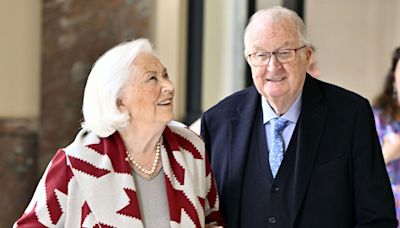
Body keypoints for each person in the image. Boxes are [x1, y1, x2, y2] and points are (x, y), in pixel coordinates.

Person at [200, 6, 397, 227]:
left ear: (306, 55)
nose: (273, 67)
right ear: (248, 59)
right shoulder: (218, 121)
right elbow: (207, 215)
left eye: (284, 53)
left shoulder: (351, 114)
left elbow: (377, 219)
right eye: (261, 55)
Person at [14, 38, 223, 228]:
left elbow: (213, 218)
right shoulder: (75, 163)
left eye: (165, 75)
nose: (169, 86)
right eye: (152, 79)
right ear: (119, 101)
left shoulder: (190, 147)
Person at [373, 46, 400, 223]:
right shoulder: (376, 117)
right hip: (388, 212)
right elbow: (361, 171)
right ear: (393, 79)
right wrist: (389, 153)